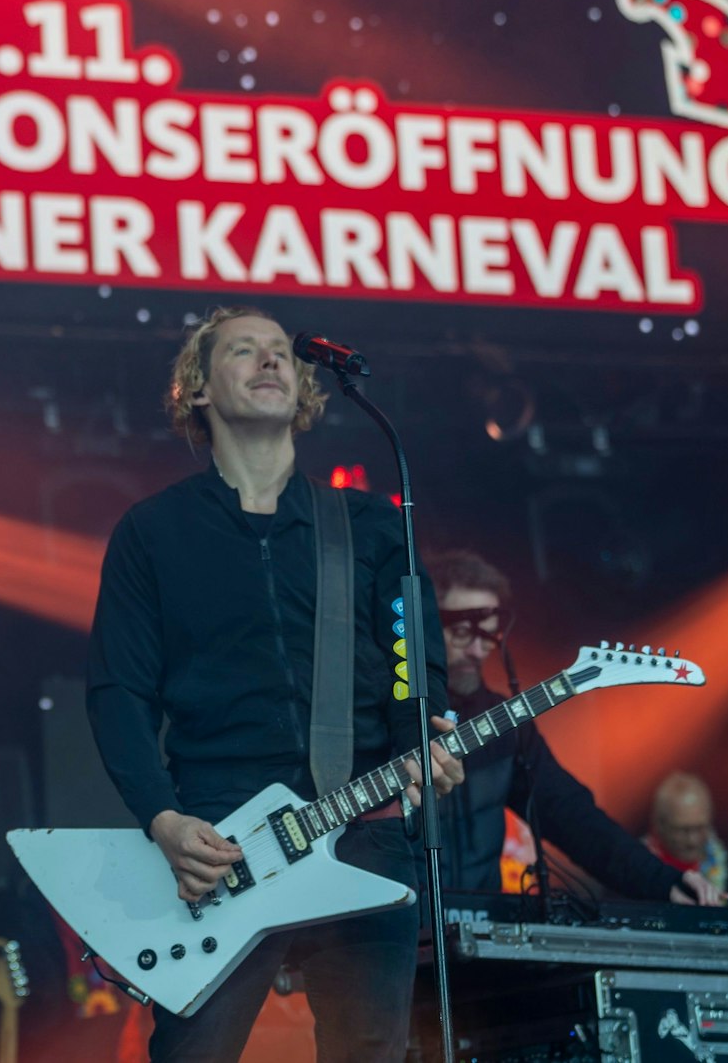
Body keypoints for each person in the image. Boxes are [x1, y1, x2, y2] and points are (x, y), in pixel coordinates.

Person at [86, 306, 465, 1063]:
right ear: (197, 388)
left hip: (362, 829)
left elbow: (409, 664)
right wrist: (161, 816)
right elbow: (118, 690)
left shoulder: (370, 526)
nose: (270, 361)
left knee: (372, 1050)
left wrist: (425, 738)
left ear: (303, 392)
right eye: (243, 351)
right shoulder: (153, 531)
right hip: (223, 843)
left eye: (281, 355)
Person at [427, 550, 723, 906]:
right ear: (428, 629)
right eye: (461, 634)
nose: (477, 650)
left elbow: (571, 816)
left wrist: (662, 881)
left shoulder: (506, 724)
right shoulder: (393, 716)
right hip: (395, 933)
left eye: (489, 637)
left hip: (481, 925)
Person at [643, 772, 728, 896]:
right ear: (659, 825)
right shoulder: (636, 871)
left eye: (700, 828)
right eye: (682, 830)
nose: (692, 841)